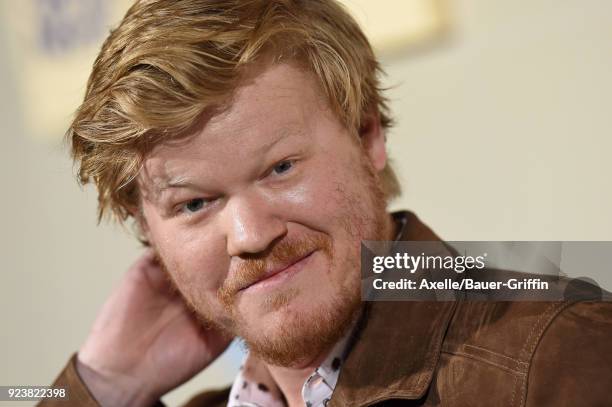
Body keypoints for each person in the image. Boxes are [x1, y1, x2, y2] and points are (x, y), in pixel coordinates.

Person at [41, 1, 612, 406]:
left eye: (280, 168)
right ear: (146, 230)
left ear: (368, 136)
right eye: (194, 204)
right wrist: (100, 388)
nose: (249, 234)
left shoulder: (557, 355)